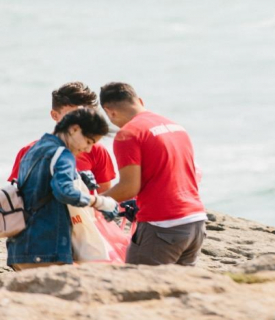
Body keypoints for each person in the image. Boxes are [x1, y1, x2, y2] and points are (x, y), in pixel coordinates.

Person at [99, 82, 206, 266]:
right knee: (179, 289)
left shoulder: (128, 134)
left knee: (136, 287)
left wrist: (93, 202)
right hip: (195, 223)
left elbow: (129, 188)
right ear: (139, 101)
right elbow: (195, 172)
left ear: (110, 112)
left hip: (163, 227)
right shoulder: (175, 126)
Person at [6, 108, 119, 271]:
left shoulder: (34, 150)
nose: (88, 150)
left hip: (20, 245)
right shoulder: (62, 155)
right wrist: (100, 201)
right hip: (46, 248)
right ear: (74, 129)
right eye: (89, 141)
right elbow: (64, 191)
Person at [8, 82, 116, 194]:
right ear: (55, 115)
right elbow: (17, 197)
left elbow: (105, 196)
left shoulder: (96, 150)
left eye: (86, 117)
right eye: (73, 116)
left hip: (86, 211)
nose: (80, 125)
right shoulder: (29, 151)